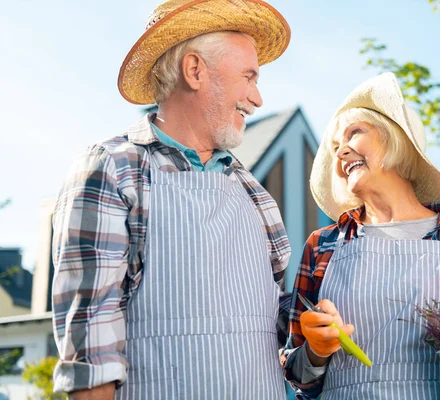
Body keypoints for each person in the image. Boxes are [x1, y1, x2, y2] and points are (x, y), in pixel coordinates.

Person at [51, 1, 292, 398]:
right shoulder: (112, 169)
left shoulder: (255, 194)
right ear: (195, 70)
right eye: (249, 77)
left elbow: (278, 325)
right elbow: (92, 343)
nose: (258, 98)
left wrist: (313, 332)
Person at [281, 72, 440, 399]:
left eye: (354, 133)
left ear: (395, 138)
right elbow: (299, 378)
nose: (340, 153)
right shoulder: (321, 245)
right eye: (335, 146)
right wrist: (314, 351)